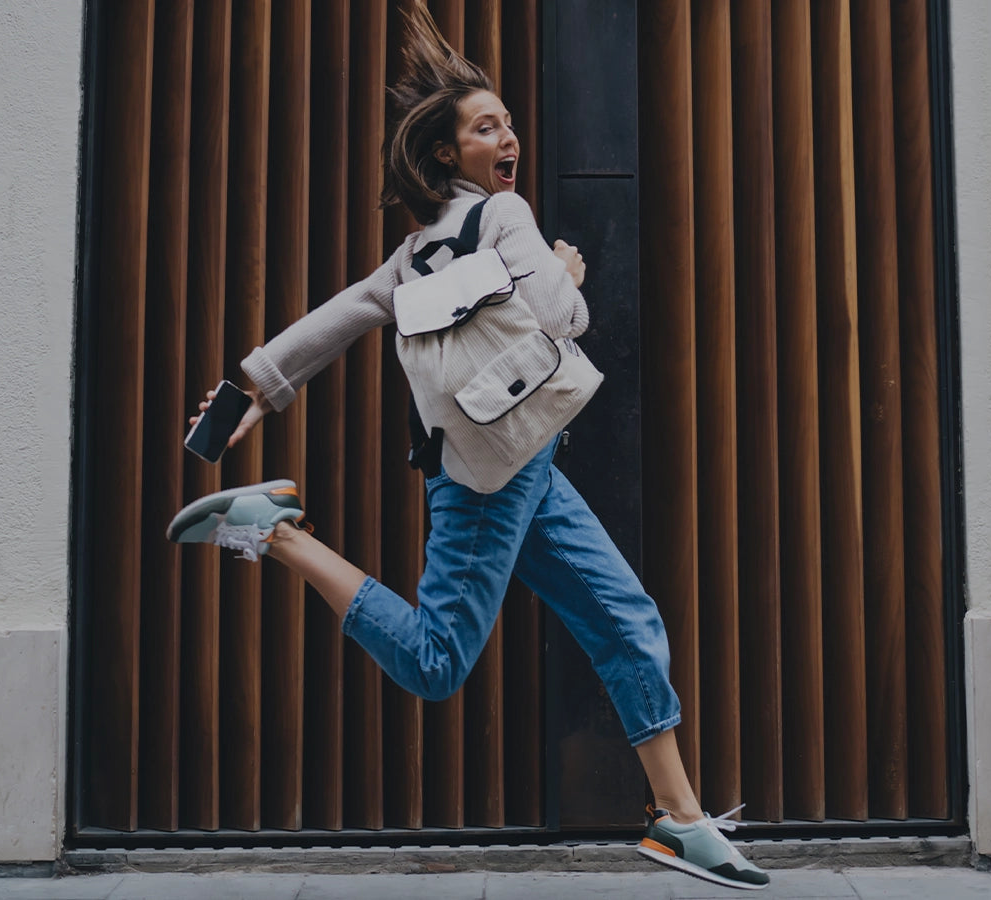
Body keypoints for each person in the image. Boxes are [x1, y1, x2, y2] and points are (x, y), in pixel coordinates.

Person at [169, 1, 769, 891]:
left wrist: (246, 393)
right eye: (488, 126)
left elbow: (325, 326)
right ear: (449, 153)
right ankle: (278, 531)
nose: (509, 136)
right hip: (488, 480)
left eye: (510, 123)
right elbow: (570, 320)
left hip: (523, 460)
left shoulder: (410, 258)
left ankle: (680, 821)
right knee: (436, 661)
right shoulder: (505, 215)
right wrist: (560, 274)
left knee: (628, 623)